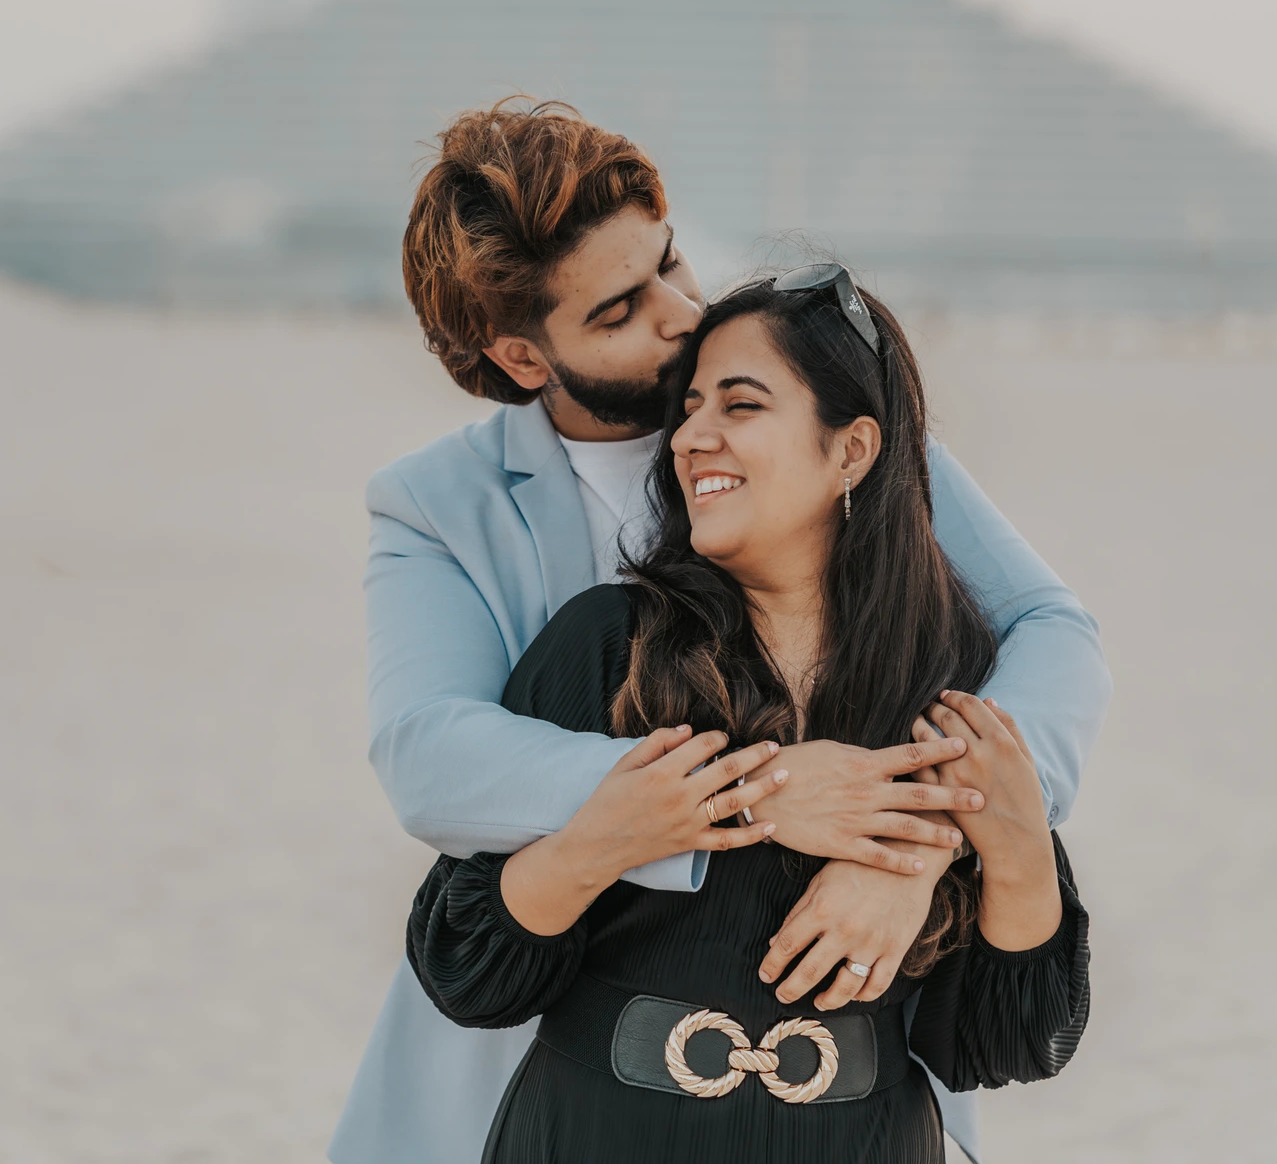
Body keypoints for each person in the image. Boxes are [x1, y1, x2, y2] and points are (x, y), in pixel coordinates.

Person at [327, 100, 1110, 1164]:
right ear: (522, 356)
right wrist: (763, 790)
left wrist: (917, 840)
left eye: (669, 263)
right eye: (617, 311)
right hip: (556, 1069)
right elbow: (428, 756)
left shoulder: (816, 425)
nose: (676, 313)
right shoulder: (438, 508)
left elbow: (1050, 631)